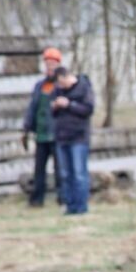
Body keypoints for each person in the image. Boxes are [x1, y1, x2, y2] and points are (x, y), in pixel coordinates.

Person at [22, 46, 63, 207]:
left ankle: (63, 197)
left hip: (57, 133)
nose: (50, 66)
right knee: (39, 169)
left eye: (53, 63)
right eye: (47, 63)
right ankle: (37, 199)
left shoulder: (61, 85)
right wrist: (26, 127)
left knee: (60, 169)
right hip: (41, 134)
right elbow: (32, 107)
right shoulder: (40, 86)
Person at [51, 66, 94, 216]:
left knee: (79, 173)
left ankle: (81, 206)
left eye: (61, 83)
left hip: (79, 137)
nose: (60, 87)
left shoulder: (84, 87)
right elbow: (52, 112)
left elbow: (88, 109)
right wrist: (55, 106)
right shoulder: (57, 91)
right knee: (65, 174)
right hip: (62, 137)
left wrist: (69, 104)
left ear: (66, 77)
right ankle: (70, 206)